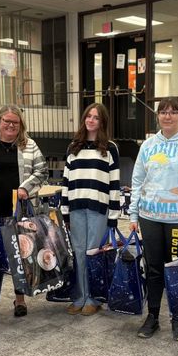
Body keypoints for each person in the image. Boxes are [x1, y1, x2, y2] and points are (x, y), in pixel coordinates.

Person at [129, 97, 178, 341]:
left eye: (173, 112)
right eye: (163, 112)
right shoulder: (148, 145)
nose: (167, 116)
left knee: (177, 270)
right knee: (154, 269)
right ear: (158, 116)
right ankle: (153, 316)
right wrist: (133, 213)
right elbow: (137, 181)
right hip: (150, 217)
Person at [0, 105, 48, 317]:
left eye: (15, 122)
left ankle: (20, 300)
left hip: (20, 213)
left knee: (20, 255)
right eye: (7, 121)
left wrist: (25, 187)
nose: (11, 125)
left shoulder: (29, 145)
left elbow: (42, 171)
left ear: (21, 124)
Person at [60, 103, 121, 316]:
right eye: (88, 116)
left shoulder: (110, 148)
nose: (91, 120)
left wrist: (113, 217)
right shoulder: (73, 147)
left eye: (96, 117)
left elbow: (115, 184)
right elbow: (65, 182)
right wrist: (65, 211)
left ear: (102, 121)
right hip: (76, 208)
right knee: (78, 253)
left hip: (99, 209)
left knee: (92, 253)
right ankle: (80, 296)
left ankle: (93, 298)